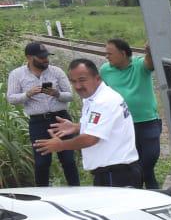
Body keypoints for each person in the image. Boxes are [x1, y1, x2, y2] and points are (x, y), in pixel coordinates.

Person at [32, 59, 140, 187]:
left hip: (116, 174)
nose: (77, 86)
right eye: (73, 81)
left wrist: (61, 145)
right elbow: (105, 125)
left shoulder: (103, 101)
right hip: (112, 172)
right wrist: (77, 127)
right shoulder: (93, 97)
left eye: (82, 80)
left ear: (97, 78)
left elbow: (90, 138)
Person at [5, 42, 78, 187]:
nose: (46, 60)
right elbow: (11, 98)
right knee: (42, 162)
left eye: (46, 56)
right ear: (29, 57)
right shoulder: (17, 74)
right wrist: (27, 94)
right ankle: (42, 194)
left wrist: (57, 94)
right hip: (38, 122)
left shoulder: (56, 71)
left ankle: (76, 190)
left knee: (68, 159)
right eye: (41, 57)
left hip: (61, 119)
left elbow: (70, 95)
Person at [99, 38, 162, 191]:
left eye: (110, 53)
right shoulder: (105, 70)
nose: (107, 57)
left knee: (149, 160)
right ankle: (144, 195)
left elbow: (150, 63)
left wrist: (150, 51)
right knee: (133, 165)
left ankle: (150, 193)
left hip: (147, 121)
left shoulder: (139, 65)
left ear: (123, 53)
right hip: (122, 125)